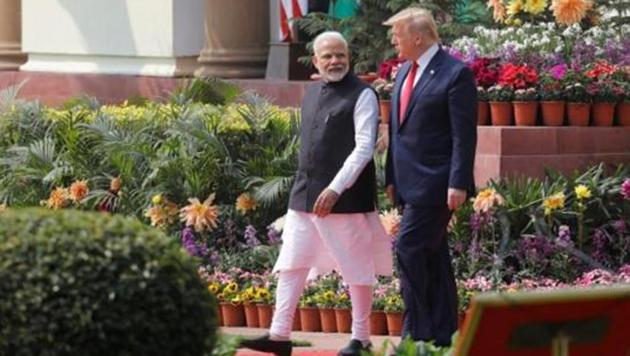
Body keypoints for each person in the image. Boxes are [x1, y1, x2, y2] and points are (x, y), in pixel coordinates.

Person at [240, 31, 392, 356]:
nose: (335, 61)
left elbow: (364, 147)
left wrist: (336, 188)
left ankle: (361, 339)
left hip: (346, 198)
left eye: (341, 55)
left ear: (349, 58)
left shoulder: (362, 94)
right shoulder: (310, 93)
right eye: (328, 56)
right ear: (316, 61)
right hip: (304, 196)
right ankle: (279, 336)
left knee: (356, 268)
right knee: (292, 263)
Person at [383, 8, 478, 346]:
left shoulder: (455, 74)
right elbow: (397, 131)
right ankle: (444, 335)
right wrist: (391, 177)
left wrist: (458, 182)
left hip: (438, 184)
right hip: (408, 184)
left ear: (418, 36)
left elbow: (462, 135)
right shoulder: (403, 73)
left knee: (409, 248)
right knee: (433, 257)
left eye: (398, 33)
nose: (394, 40)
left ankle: (416, 333)